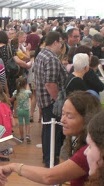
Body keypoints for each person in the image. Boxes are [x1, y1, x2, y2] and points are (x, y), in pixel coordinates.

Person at [33, 31, 66, 168]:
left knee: (47, 130)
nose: (61, 46)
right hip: (51, 102)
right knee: (53, 131)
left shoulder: (41, 54)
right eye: (61, 43)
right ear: (55, 42)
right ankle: (51, 160)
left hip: (43, 100)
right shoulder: (51, 58)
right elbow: (50, 83)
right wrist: (58, 99)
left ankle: (48, 157)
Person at [12, 78, 32, 143]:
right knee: (27, 123)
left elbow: (12, 99)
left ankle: (21, 137)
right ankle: (28, 135)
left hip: (19, 110)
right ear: (25, 85)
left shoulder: (16, 92)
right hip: (26, 110)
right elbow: (31, 97)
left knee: (20, 124)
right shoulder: (28, 92)